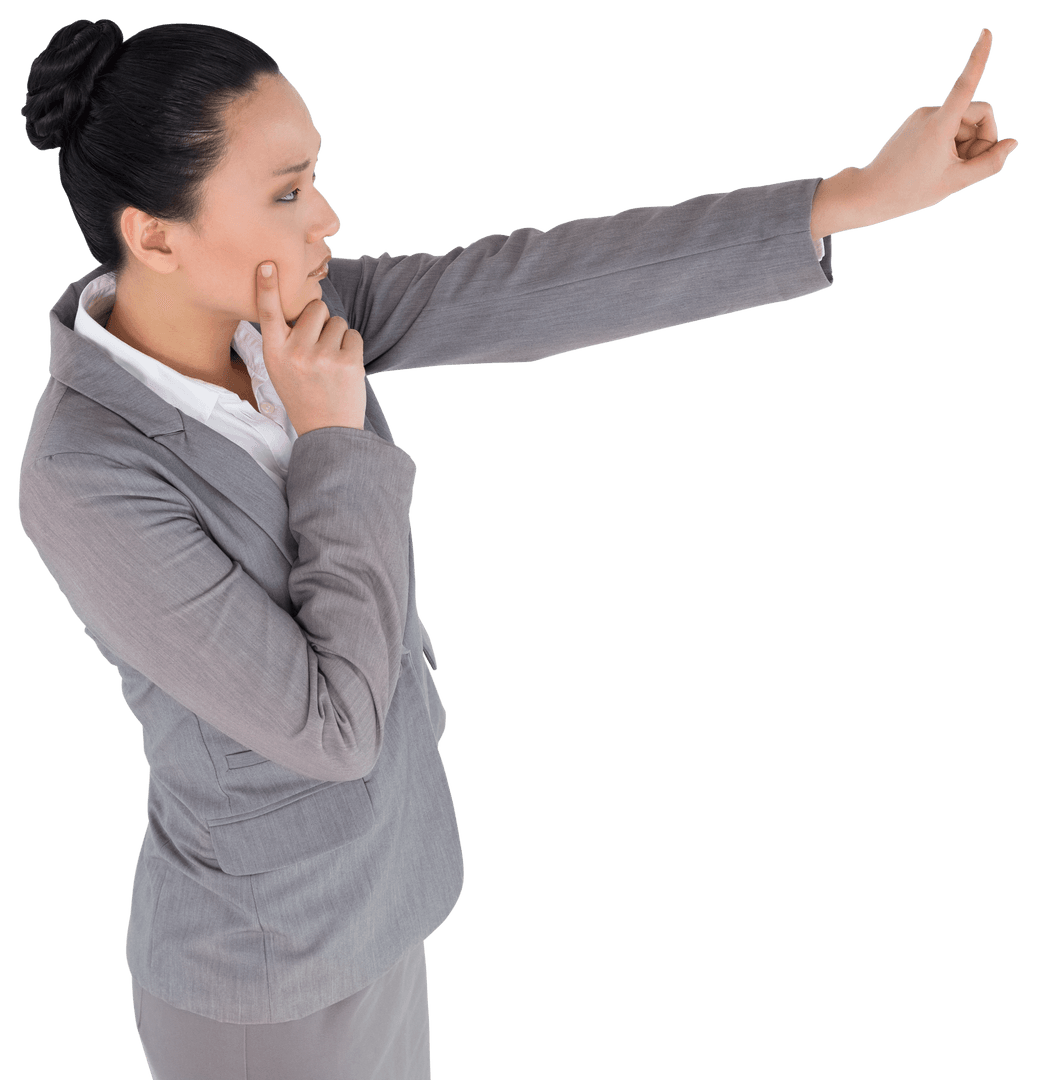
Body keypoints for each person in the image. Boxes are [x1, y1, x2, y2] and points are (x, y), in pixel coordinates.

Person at [16, 17, 1017, 1080]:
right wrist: (330, 440)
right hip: (262, 974)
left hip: (383, 896)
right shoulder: (85, 475)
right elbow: (331, 726)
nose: (327, 218)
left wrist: (849, 198)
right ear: (157, 235)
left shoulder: (276, 323)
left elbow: (527, 285)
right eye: (286, 192)